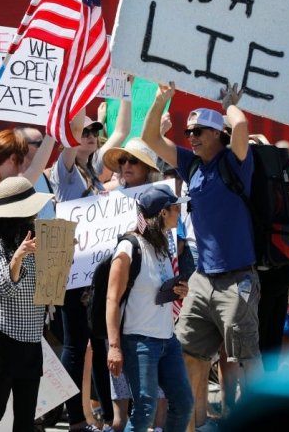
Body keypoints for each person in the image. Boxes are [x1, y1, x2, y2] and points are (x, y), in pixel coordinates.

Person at [141, 82, 259, 430]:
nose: (190, 137)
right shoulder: (191, 164)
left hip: (237, 280)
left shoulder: (235, 161)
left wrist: (229, 105)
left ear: (217, 134)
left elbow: (239, 126)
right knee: (187, 355)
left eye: (198, 132)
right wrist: (161, 100)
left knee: (246, 360)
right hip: (202, 280)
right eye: (188, 131)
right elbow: (150, 138)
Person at [52, 106, 129, 432]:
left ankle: (109, 417)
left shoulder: (91, 170)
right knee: (74, 345)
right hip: (69, 273)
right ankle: (77, 419)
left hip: (93, 275)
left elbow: (121, 133)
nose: (90, 137)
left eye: (93, 132)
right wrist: (79, 96)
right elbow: (70, 141)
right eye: (84, 132)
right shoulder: (65, 169)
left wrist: (123, 93)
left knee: (99, 343)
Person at [106, 184, 194, 432]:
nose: (180, 211)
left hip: (168, 339)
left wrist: (178, 292)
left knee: (184, 404)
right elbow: (112, 299)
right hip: (139, 340)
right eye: (176, 207)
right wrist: (114, 347)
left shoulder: (163, 245)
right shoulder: (128, 248)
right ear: (163, 213)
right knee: (145, 409)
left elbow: (158, 290)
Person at [0, 176, 53, 431]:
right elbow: (5, 287)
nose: (36, 213)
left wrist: (60, 258)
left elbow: (49, 288)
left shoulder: (37, 238)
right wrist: (18, 256)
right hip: (1, 336)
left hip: (31, 337)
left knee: (25, 417)